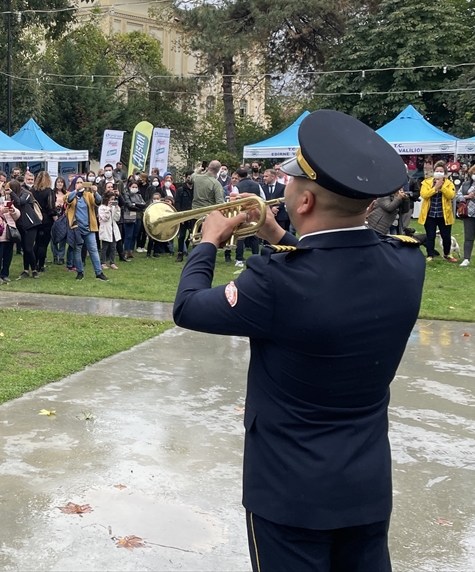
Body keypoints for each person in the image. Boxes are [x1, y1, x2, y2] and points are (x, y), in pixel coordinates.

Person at [172, 110, 426, 572]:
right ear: (368, 204)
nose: (282, 188)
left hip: (289, 493)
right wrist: (278, 235)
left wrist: (207, 241)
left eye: (289, 183)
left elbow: (188, 307)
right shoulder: (408, 263)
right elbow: (333, 271)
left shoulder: (274, 282)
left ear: (304, 201)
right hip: (365, 486)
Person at [65, 177, 109, 281]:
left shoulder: (88, 195)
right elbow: (68, 200)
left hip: (89, 228)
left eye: (82, 182)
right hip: (76, 228)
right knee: (77, 250)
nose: (80, 184)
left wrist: (95, 192)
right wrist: (75, 191)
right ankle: (80, 272)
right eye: (78, 182)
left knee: (93, 250)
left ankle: (99, 273)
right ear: (74, 184)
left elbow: (97, 202)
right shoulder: (70, 194)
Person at [419, 160, 457, 262]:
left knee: (446, 236)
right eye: (437, 170)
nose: (438, 173)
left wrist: (442, 187)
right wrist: (435, 188)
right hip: (430, 214)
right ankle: (430, 255)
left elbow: (451, 195)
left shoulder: (449, 183)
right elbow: (424, 195)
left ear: (444, 173)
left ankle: (447, 254)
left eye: (441, 171)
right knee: (430, 236)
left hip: (444, 215)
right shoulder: (426, 182)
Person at [8, 179, 44, 279]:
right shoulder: (12, 197)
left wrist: (12, 194)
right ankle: (26, 270)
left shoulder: (26, 194)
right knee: (25, 248)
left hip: (31, 225)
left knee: (29, 248)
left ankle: (34, 270)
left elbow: (20, 202)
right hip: (21, 225)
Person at [232, 168, 263, 267]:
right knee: (254, 235)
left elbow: (234, 201)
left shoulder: (237, 186)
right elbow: (263, 198)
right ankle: (256, 256)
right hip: (255, 212)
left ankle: (239, 259)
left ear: (238, 176)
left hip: (242, 212)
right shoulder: (257, 184)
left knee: (240, 236)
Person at [0, 188, 19, 283]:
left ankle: (5, 273)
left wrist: (12, 210)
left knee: (8, 255)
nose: (2, 194)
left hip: (10, 234)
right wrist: (1, 212)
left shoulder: (7, 202)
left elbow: (18, 215)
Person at [31, 171, 56, 270]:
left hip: (35, 218)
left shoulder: (32, 191)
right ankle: (40, 265)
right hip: (46, 219)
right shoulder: (49, 191)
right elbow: (51, 207)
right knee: (43, 244)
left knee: (36, 242)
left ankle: (34, 263)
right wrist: (55, 215)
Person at [97, 191, 122, 270]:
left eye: (114, 199)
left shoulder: (114, 207)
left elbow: (116, 218)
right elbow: (105, 218)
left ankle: (112, 262)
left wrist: (117, 209)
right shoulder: (101, 208)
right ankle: (103, 262)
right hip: (105, 229)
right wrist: (108, 208)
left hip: (113, 228)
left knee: (113, 247)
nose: (112, 201)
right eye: (111, 199)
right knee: (105, 247)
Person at [173, 172, 196, 261]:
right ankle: (180, 253)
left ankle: (194, 254)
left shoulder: (196, 189)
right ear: (186, 178)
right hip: (184, 215)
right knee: (181, 235)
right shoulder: (181, 189)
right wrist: (180, 216)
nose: (190, 179)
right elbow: (177, 203)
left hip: (194, 215)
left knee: (193, 235)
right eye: (188, 177)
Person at [121, 179, 145, 260]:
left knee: (135, 235)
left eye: (136, 187)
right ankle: (126, 251)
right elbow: (129, 205)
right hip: (129, 217)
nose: (134, 188)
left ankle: (131, 251)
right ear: (129, 187)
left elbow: (144, 204)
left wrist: (136, 205)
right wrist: (138, 207)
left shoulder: (139, 196)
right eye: (133, 187)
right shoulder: (126, 195)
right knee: (128, 235)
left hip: (138, 217)